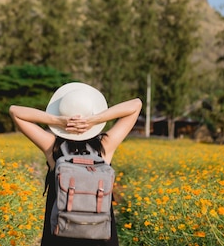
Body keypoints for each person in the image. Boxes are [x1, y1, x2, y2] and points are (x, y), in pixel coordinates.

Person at [9, 82, 142, 246]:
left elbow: (15, 111)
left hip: (61, 232)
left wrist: (57, 120)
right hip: (98, 232)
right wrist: (94, 119)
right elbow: (136, 104)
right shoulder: (105, 145)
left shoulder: (53, 147)